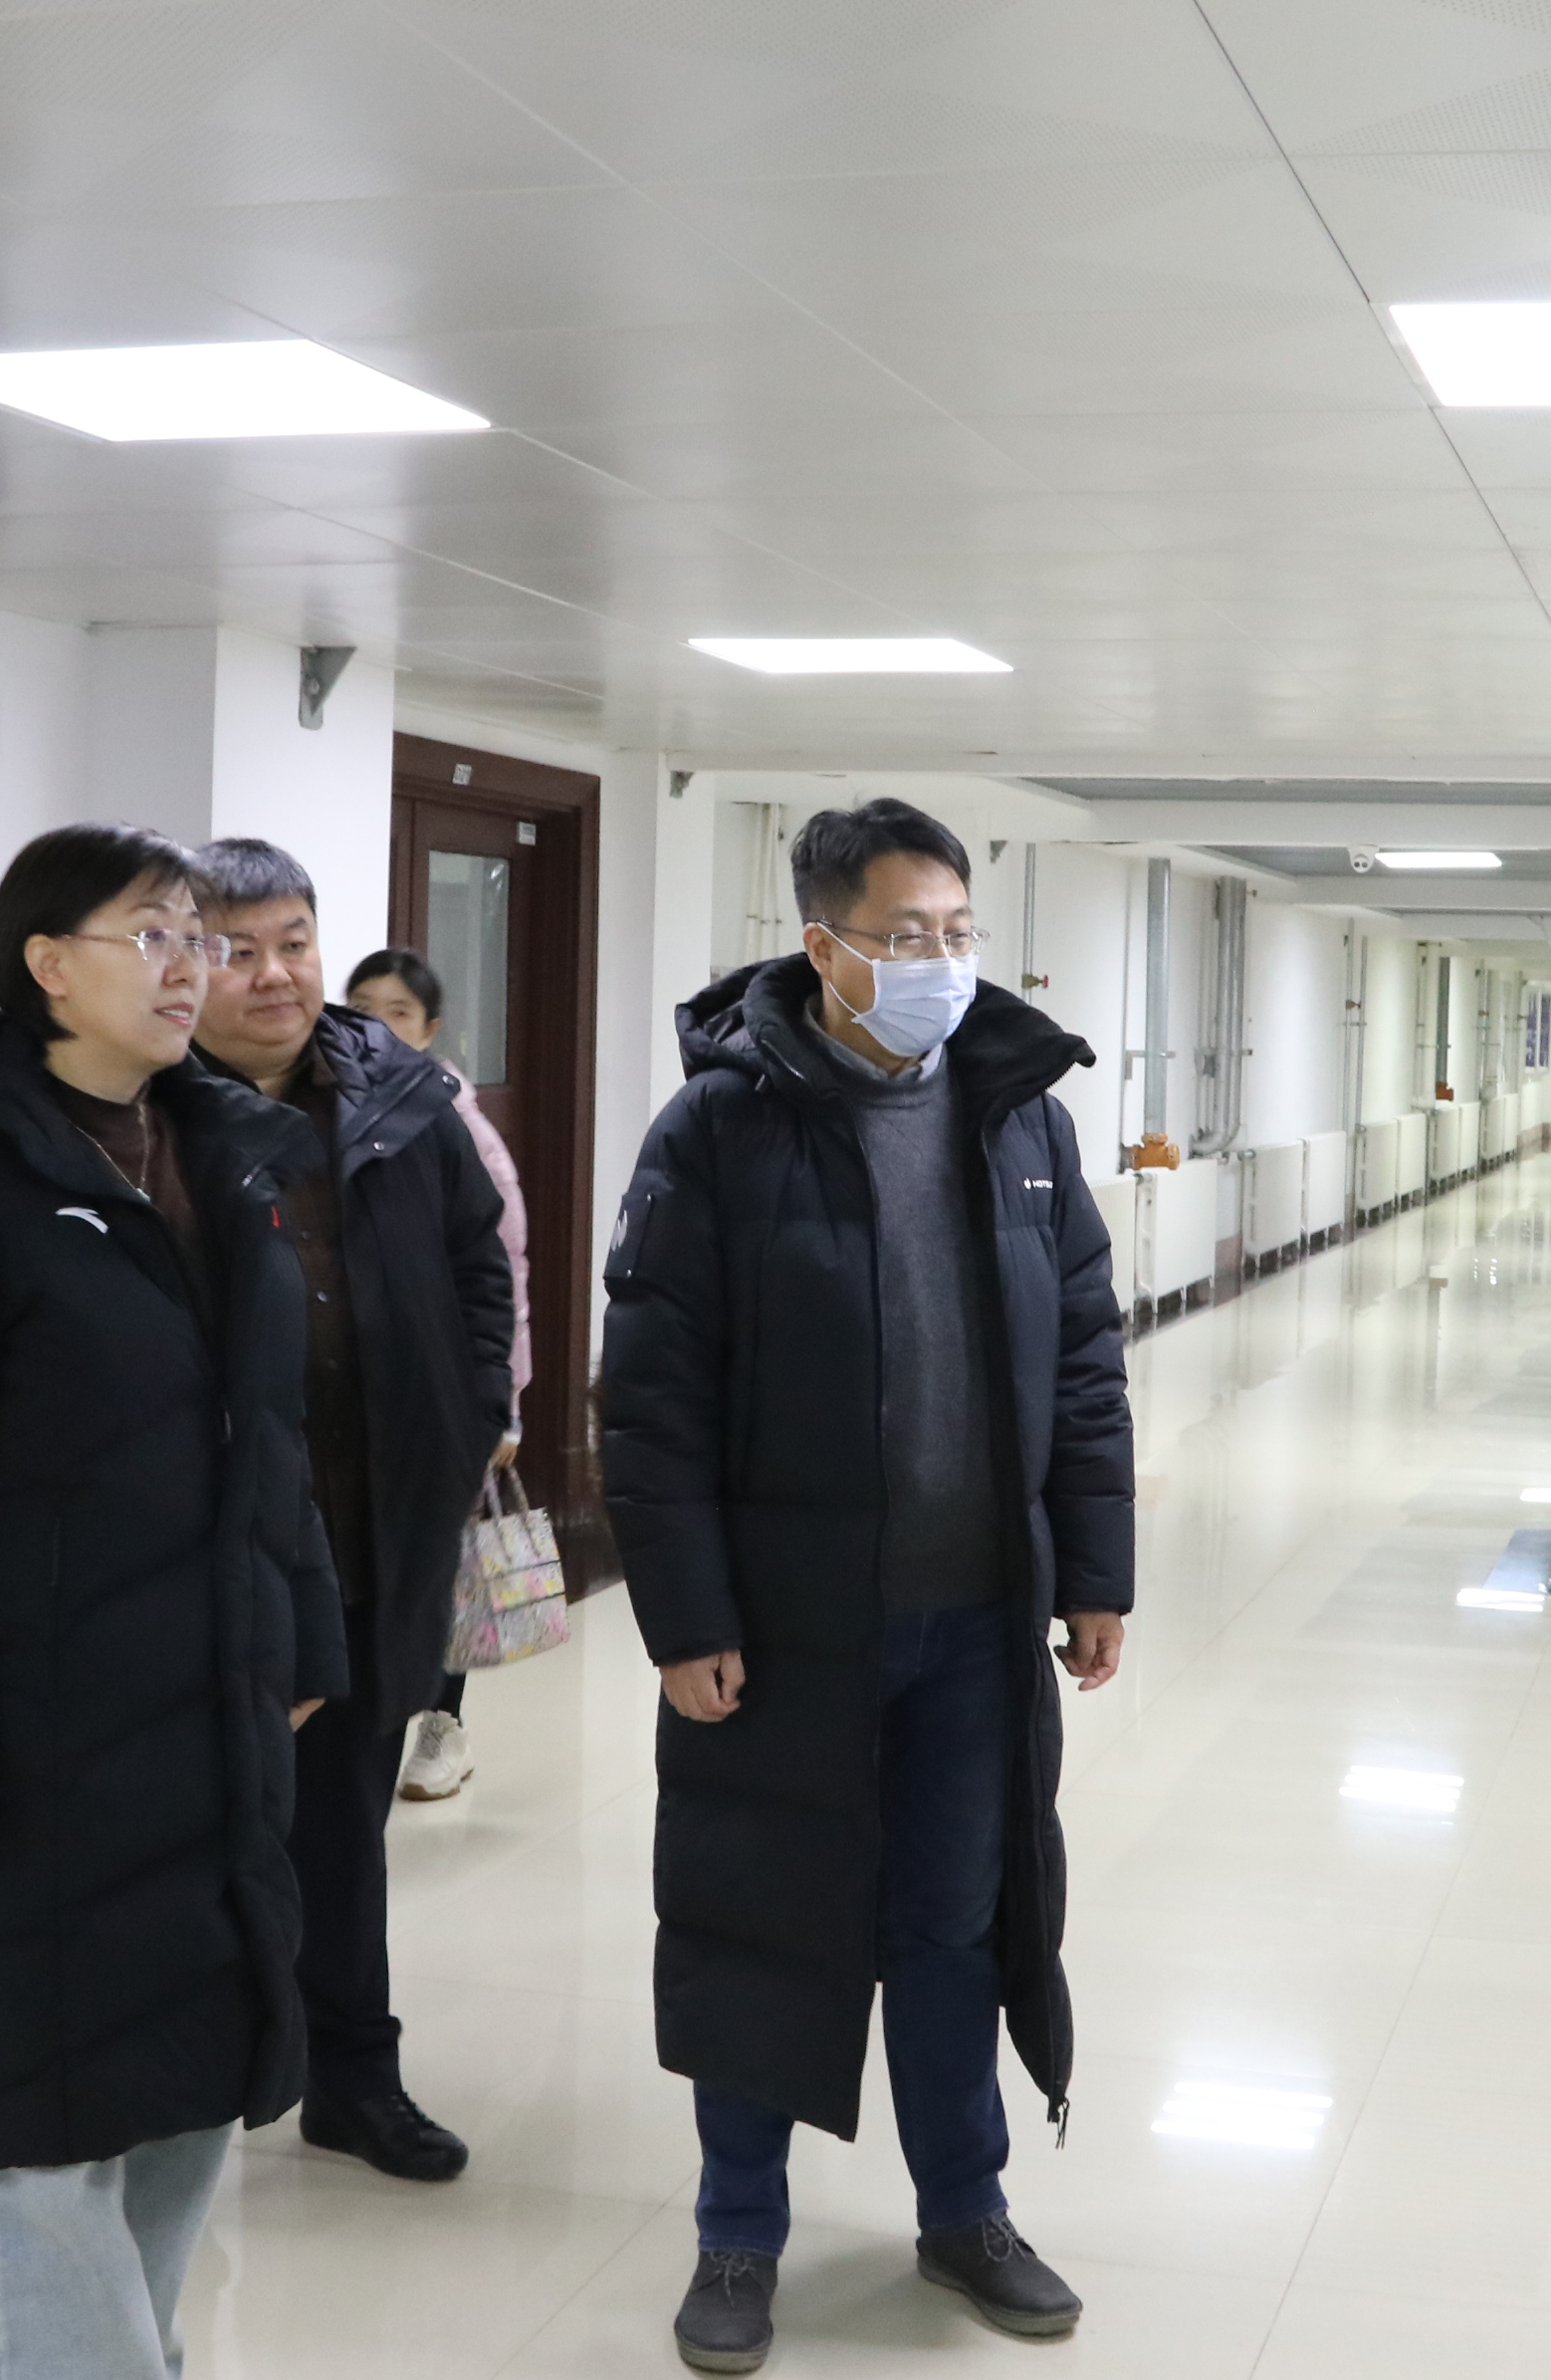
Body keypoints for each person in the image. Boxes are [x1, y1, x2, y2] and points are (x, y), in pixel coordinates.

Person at [600, 798, 1135, 2376]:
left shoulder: (1018, 1115)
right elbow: (654, 1395)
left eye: (959, 933)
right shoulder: (719, 1131)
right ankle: (737, 2234)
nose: (941, 964)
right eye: (907, 937)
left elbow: (1085, 1358)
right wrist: (689, 1617)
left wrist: (1094, 1571)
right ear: (824, 947)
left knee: (956, 1923)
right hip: (786, 1626)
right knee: (761, 1917)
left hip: (977, 1621)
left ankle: (966, 2210)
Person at [0, 825, 341, 2380]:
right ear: (48, 965)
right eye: (155, 937)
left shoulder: (222, 1160)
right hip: (34, 1741)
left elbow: (273, 1434)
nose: (195, 970)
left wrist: (305, 1632)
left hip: (212, 1717)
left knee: (188, 2097)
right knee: (38, 2135)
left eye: (203, 938)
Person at [188, 841, 515, 2181]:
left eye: (294, 943)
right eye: (237, 949)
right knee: (202, 1824)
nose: (274, 975)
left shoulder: (404, 1098)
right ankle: (195, 2073)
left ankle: (353, 2076)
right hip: (212, 1547)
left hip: (376, 1527)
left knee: (344, 1829)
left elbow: (479, 1265)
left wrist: (469, 1413)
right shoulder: (149, 1108)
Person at [343, 943, 534, 1803]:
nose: (379, 1028)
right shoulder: (334, 1109)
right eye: (364, 1010)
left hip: (450, 1393)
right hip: (374, 1400)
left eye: (399, 1014)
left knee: (446, 1561)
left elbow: (504, 1271)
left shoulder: (459, 1127)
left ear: (430, 1029)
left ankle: (442, 1725)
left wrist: (504, 1405)